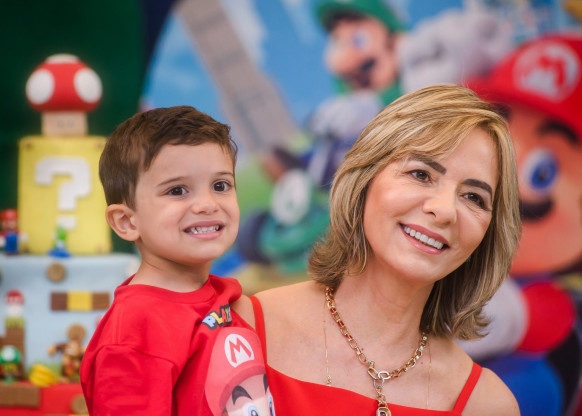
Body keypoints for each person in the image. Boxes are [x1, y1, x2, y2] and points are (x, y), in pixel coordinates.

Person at [241, 84, 522, 415]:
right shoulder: (241, 328)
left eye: (474, 197)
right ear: (364, 178)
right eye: (421, 174)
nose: (445, 210)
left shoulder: (487, 404)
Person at [80, 106, 274, 415]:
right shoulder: (134, 333)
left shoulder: (224, 295)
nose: (207, 204)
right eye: (178, 190)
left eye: (220, 186)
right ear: (127, 222)